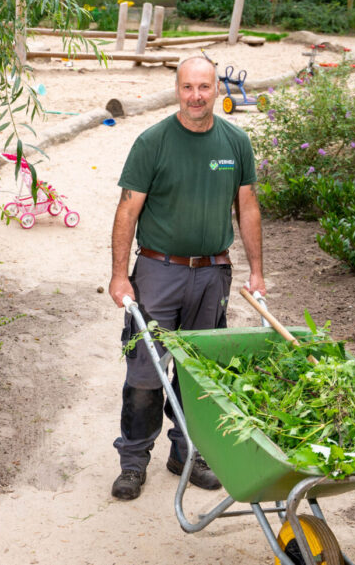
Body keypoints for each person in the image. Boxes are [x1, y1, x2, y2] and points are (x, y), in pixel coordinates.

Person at [106, 55, 265, 500]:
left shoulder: (235, 142)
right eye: (188, 87)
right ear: (177, 89)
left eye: (204, 87)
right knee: (145, 373)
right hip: (159, 270)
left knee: (199, 374)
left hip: (213, 273)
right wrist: (120, 276)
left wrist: (257, 271)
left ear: (218, 89)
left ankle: (188, 454)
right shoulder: (152, 142)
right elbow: (128, 210)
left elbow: (247, 206)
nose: (196, 95)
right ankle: (134, 462)